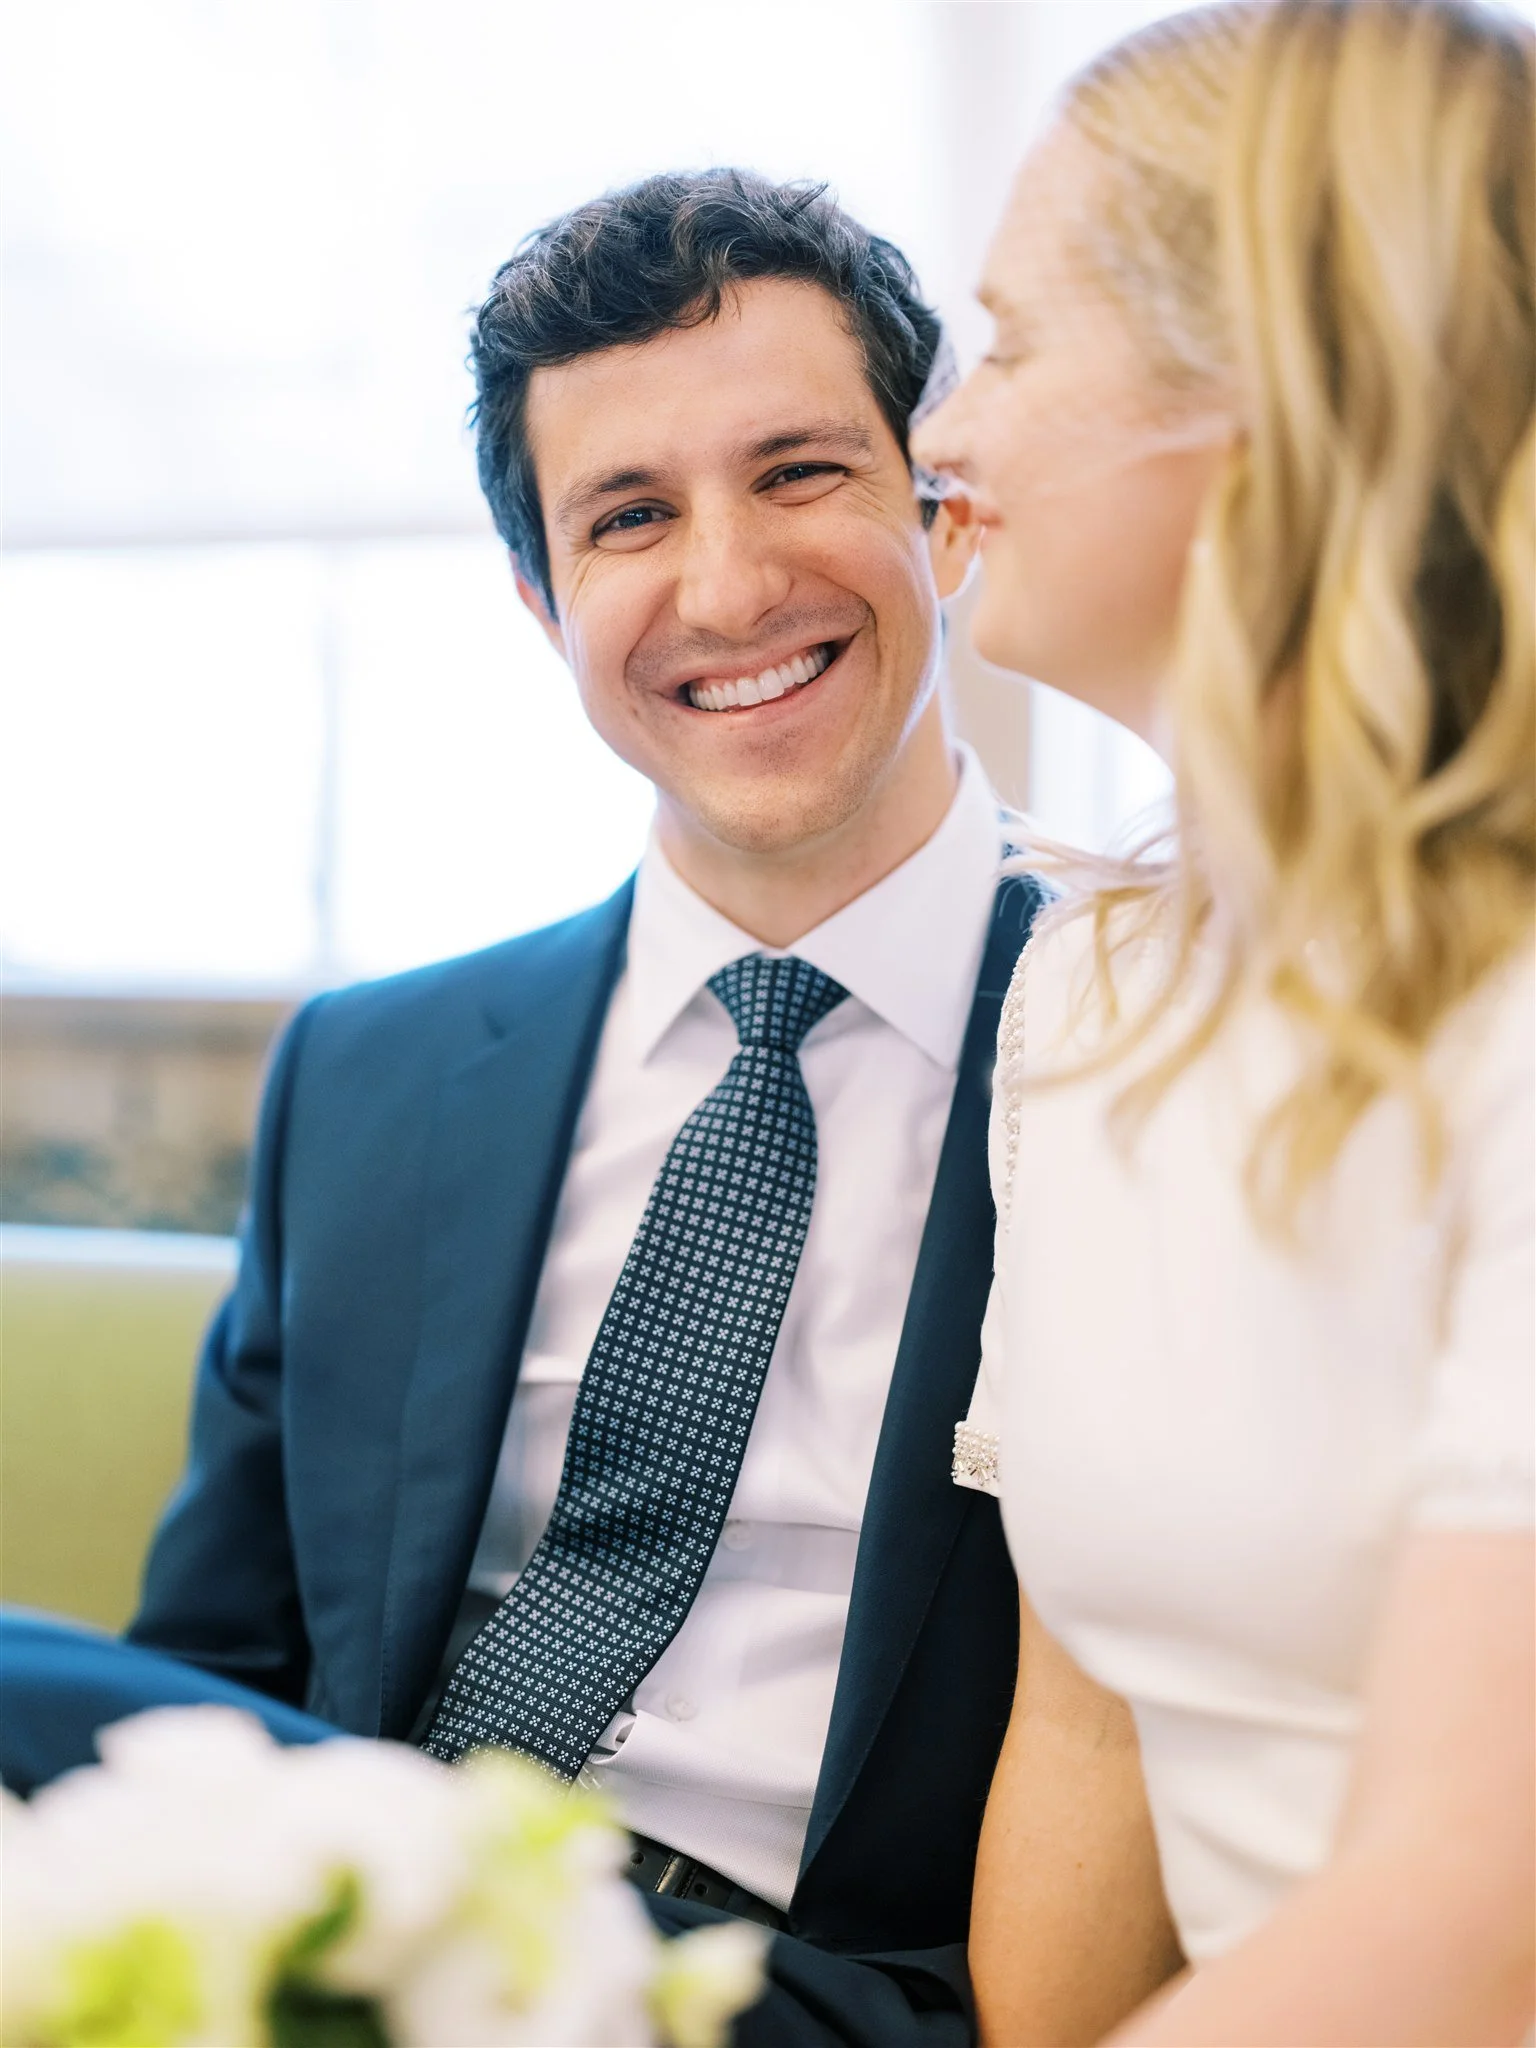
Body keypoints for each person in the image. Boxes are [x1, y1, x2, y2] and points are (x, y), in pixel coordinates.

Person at [0, 170, 1049, 2048]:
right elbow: (208, 1675)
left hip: (791, 1985)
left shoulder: (1157, 1044)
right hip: (367, 1903)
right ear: (539, 599)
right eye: (628, 516)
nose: (726, 587)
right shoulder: (374, 1069)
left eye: (800, 472)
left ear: (944, 512)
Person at [915, 0, 1535, 2040]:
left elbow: (1473, 1916)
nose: (942, 436)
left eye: (1008, 340)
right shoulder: (1100, 990)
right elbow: (1094, 1739)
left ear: (1264, 388)